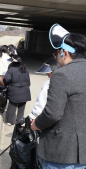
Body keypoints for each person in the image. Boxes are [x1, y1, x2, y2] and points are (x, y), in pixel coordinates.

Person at [31, 24, 86, 168]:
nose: (56, 57)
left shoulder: (62, 75)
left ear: (65, 53)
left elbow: (52, 114)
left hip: (63, 153)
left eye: (56, 54)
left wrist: (36, 124)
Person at [3, 55, 31, 126]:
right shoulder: (25, 69)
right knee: (21, 108)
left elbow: (6, 79)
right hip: (25, 92)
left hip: (14, 92)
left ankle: (10, 121)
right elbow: (29, 82)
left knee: (12, 106)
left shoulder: (11, 69)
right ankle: (19, 121)